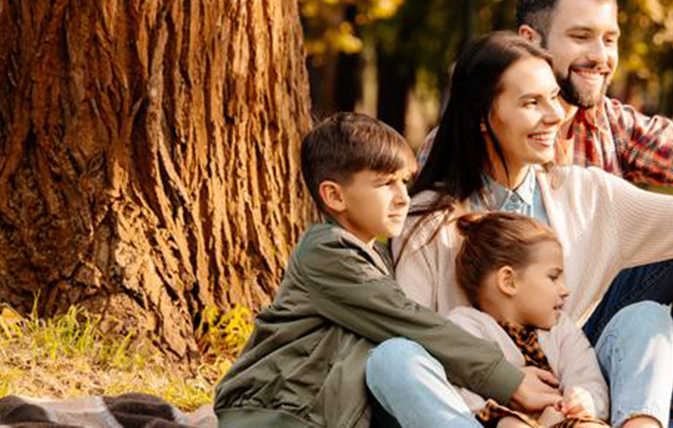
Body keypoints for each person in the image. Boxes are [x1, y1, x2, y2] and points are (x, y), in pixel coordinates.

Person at [423, 0, 673, 424]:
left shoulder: (607, 123)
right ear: (532, 40)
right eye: (581, 37)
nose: (601, 55)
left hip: (585, 314)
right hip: (494, 340)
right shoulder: (462, 150)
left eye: (610, 38)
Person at [212, 113, 560, 428]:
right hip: (284, 415)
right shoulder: (327, 251)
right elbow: (407, 318)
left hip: (337, 413)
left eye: (403, 182)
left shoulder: (376, 254)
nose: (403, 197)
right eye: (384, 184)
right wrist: (507, 380)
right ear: (335, 196)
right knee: (400, 354)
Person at [446, 212, 610, 428]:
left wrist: (584, 400)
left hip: (565, 419)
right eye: (553, 277)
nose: (565, 290)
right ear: (509, 281)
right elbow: (461, 394)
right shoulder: (465, 327)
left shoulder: (561, 328)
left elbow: (587, 375)